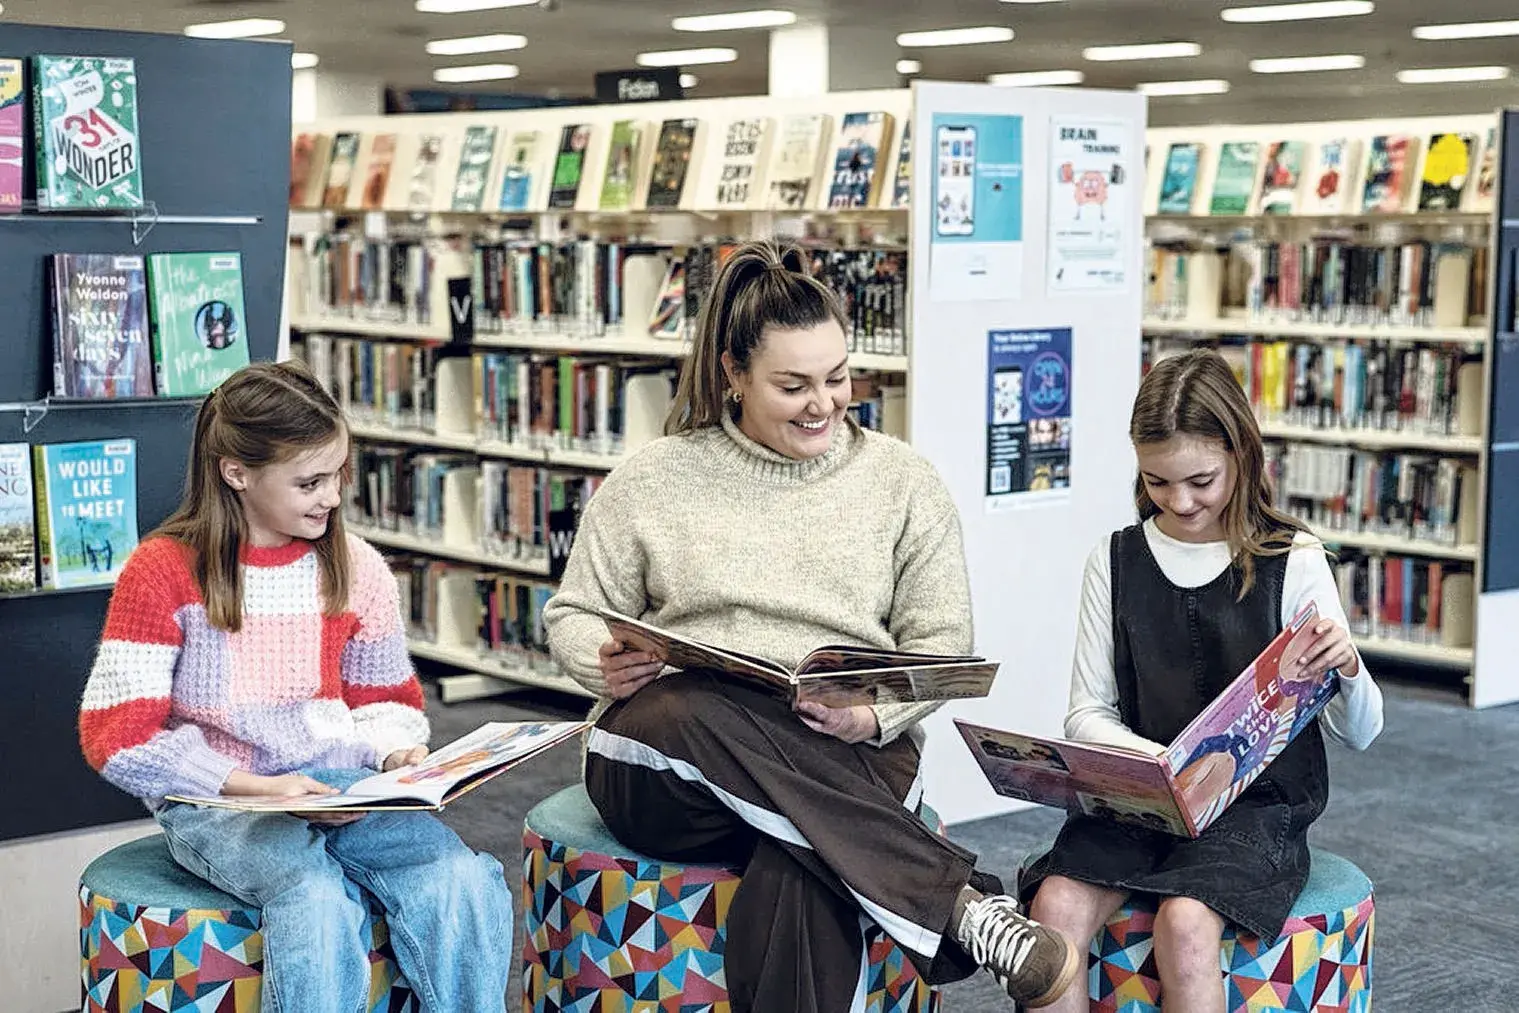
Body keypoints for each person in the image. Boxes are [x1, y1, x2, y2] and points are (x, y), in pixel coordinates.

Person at [542, 239, 1080, 1012]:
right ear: (733, 373)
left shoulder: (902, 482)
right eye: (792, 385)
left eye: (837, 378)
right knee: (694, 704)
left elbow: (937, 641)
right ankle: (959, 903)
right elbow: (573, 610)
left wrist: (872, 714)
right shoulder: (654, 477)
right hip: (669, 758)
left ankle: (940, 895)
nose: (823, 403)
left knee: (799, 855)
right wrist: (602, 660)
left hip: (847, 748)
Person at [77, 361, 512, 1013]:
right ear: (236, 472)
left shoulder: (356, 565)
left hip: (341, 786)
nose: (331, 497)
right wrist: (258, 787)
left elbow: (386, 702)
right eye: (308, 481)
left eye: (337, 475)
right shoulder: (163, 571)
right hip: (220, 801)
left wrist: (396, 755)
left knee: (462, 879)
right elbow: (117, 737)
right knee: (314, 898)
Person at [1022, 349, 1384, 1013]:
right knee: (1052, 905)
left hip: (1256, 805)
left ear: (1241, 454)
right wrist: (1158, 765)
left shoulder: (1292, 559)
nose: (1179, 500)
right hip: (1144, 795)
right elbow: (1086, 712)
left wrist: (1349, 667)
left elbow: (1360, 733)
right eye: (1157, 482)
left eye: (1200, 480)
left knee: (1185, 923)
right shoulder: (1114, 558)